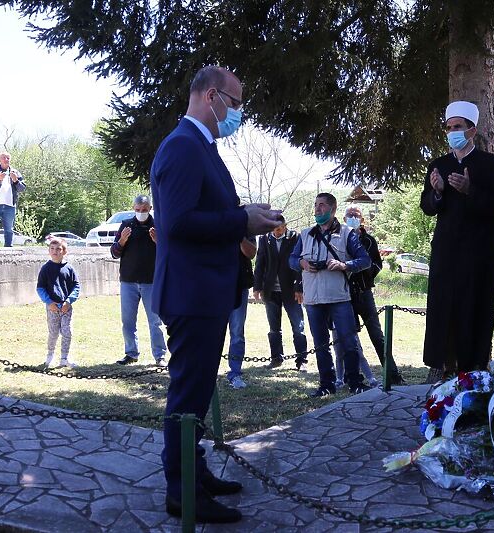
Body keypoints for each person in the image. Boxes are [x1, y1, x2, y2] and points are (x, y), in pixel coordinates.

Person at [150, 65, 281, 523]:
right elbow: (179, 223)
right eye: (237, 103)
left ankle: (195, 470)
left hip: (207, 290)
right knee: (187, 395)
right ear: (212, 97)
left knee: (199, 392)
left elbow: (213, 213)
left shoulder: (202, 148)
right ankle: (182, 492)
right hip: (192, 293)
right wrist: (242, 219)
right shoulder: (183, 147)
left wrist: (249, 215)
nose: (239, 114)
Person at [420, 101, 494, 379]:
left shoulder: (492, 164)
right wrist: (437, 192)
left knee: (473, 306)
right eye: (448, 128)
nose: (451, 132)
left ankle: (472, 368)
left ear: (471, 131)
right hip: (446, 252)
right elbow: (426, 206)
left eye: (457, 127)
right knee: (443, 307)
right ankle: (443, 366)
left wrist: (470, 190)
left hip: (478, 253)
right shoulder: (439, 165)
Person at [289, 192, 372, 397]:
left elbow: (365, 260)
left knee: (348, 341)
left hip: (339, 298)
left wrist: (344, 265)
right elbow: (291, 260)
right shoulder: (305, 233)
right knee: (320, 344)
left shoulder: (347, 233)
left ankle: (355, 382)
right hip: (313, 299)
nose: (317, 209)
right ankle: (326, 384)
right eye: (316, 205)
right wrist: (302, 263)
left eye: (322, 205)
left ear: (333, 209)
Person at [344, 205, 406, 385]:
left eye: (356, 215)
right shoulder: (338, 238)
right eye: (349, 215)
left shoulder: (369, 240)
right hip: (344, 294)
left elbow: (377, 264)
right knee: (349, 337)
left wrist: (364, 274)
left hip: (364, 293)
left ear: (362, 219)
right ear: (344, 217)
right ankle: (353, 377)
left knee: (377, 335)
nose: (353, 217)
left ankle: (392, 374)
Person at [110, 195, 168, 367]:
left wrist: (159, 242)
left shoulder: (159, 225)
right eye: (137, 210)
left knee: (155, 321)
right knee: (128, 321)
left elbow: (169, 254)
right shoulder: (126, 225)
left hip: (151, 282)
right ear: (133, 208)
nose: (141, 213)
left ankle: (160, 356)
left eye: (144, 210)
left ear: (150, 209)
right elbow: (114, 253)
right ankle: (131, 353)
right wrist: (122, 241)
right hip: (128, 281)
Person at [253, 217, 308, 371]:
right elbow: (260, 263)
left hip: (291, 290)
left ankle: (301, 360)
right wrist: (257, 286)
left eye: (279, 228)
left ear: (285, 227)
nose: (277, 232)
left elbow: (299, 263)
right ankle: (276, 358)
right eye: (274, 229)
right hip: (271, 290)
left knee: (298, 327)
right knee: (274, 328)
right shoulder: (264, 239)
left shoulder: (295, 237)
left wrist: (300, 287)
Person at [36, 238, 80, 368]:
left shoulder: (69, 268)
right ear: (49, 251)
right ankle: (50, 356)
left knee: (67, 332)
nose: (55, 251)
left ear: (64, 251)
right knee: (53, 333)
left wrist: (69, 301)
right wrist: (49, 302)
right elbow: (40, 288)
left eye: (58, 249)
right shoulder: (45, 268)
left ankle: (64, 358)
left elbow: (76, 286)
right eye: (52, 249)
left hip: (66, 307)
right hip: (52, 307)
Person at [225, 238, 256, 389]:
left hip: (239, 286)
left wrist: (239, 236)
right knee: (211, 333)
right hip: (213, 285)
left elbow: (251, 253)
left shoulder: (245, 225)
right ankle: (206, 372)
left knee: (237, 332)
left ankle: (235, 373)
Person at [0, 152, 26, 247]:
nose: (6, 159)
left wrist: (16, 181)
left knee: (9, 229)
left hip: (10, 205)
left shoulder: (15, 172)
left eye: (8, 158)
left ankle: (8, 250)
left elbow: (22, 188)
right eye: (4, 158)